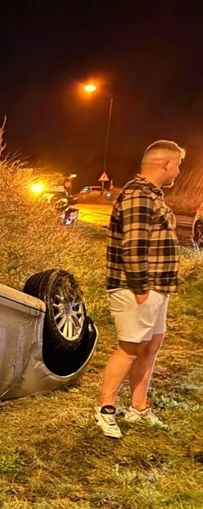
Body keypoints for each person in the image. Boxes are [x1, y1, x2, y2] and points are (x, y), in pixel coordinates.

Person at [94, 140, 183, 438]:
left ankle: (138, 408)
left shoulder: (153, 196)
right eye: (178, 165)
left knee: (151, 345)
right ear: (165, 164)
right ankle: (105, 410)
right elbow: (133, 245)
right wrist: (140, 288)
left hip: (157, 286)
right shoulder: (138, 195)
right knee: (130, 348)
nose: (179, 171)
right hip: (138, 288)